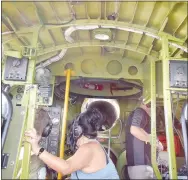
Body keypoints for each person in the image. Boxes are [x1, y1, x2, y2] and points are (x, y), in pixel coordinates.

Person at [25, 108, 120, 179]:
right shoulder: (93, 145)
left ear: (77, 131)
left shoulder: (89, 149)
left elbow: (65, 168)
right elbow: (70, 165)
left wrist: (37, 148)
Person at [125, 99, 163, 179]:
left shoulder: (142, 115)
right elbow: (134, 130)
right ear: (146, 104)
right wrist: (154, 142)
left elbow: (143, 132)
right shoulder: (140, 112)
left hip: (141, 165)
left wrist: (156, 141)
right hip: (140, 165)